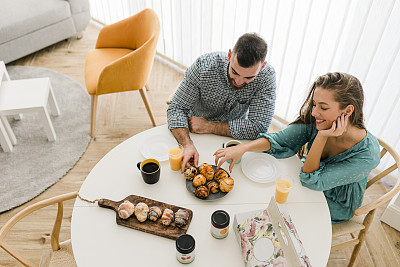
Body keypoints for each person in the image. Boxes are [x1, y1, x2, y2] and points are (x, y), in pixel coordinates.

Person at [214, 72, 380, 224]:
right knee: (265, 196)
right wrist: (243, 148)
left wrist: (322, 137)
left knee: (282, 211)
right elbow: (280, 140)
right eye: (314, 104)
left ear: (348, 110)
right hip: (308, 181)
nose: (314, 112)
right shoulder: (321, 121)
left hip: (336, 202)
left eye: (323, 107)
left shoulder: (368, 155)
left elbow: (310, 179)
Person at [167, 33, 276, 172]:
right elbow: (176, 107)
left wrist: (209, 126)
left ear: (262, 66)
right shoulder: (203, 66)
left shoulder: (267, 76)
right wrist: (187, 145)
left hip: (233, 140)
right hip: (193, 131)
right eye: (235, 72)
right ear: (230, 55)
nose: (239, 82)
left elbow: (259, 127)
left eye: (249, 77)